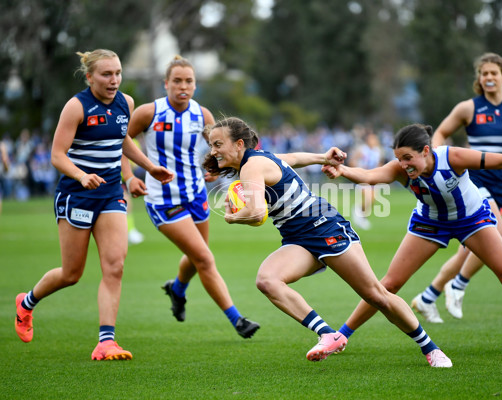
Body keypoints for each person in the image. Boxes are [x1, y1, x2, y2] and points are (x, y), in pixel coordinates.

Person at [203, 116, 453, 367]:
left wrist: (231, 217)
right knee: (267, 280)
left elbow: (257, 214)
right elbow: (292, 159)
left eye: (217, 144)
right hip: (298, 238)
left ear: (238, 144)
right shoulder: (259, 158)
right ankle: (328, 334)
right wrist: (323, 156)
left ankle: (430, 348)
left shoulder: (251, 166)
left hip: (324, 227)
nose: (213, 151)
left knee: (376, 296)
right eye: (211, 146)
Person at [323, 123, 502, 353]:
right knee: (389, 284)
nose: (403, 165)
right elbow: (369, 176)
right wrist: (342, 171)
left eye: (408, 157)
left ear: (426, 150)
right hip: (430, 222)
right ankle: (340, 336)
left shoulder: (454, 157)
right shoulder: (401, 169)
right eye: (399, 159)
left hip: (472, 219)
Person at [14, 49, 174, 361]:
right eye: (106, 74)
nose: (114, 80)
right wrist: (81, 175)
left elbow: (122, 140)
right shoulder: (76, 107)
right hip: (77, 195)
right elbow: (57, 155)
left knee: (115, 266)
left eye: (117, 73)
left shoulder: (125, 103)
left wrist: (148, 167)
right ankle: (27, 302)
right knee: (72, 273)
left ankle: (106, 342)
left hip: (112, 192)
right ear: (90, 77)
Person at [121, 55, 260, 338]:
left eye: (189, 81)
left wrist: (215, 168)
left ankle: (177, 289)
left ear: (195, 85)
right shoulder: (149, 112)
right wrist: (130, 177)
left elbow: (216, 149)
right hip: (163, 199)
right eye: (177, 81)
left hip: (196, 194)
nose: (183, 86)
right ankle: (237, 320)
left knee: (198, 257)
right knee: (205, 259)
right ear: (166, 84)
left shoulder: (203, 115)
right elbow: (121, 142)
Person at [410, 53, 502, 323]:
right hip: (473, 180)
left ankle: (428, 296)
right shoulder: (468, 108)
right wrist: (440, 160)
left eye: (494, 73)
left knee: (470, 249)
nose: (489, 77)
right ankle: (457, 286)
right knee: (498, 234)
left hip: (498, 183)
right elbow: (440, 133)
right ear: (479, 79)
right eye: (484, 74)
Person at [349, 129, 384, 230]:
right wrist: (359, 170)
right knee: (368, 198)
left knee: (372, 200)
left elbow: (380, 164)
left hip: (373, 178)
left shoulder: (378, 151)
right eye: (372, 139)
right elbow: (352, 161)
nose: (374, 141)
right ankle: (359, 214)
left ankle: (361, 215)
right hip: (364, 177)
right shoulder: (362, 150)